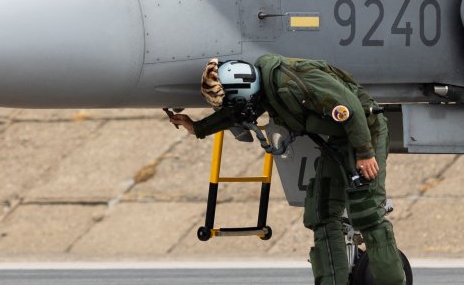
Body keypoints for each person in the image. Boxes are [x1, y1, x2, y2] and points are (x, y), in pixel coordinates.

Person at [167, 54, 405, 285]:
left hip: (365, 132)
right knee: (321, 212)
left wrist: (364, 153)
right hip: (340, 140)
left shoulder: (297, 81)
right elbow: (235, 113)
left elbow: (350, 108)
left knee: (366, 212)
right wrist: (198, 127)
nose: (238, 111)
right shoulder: (264, 90)